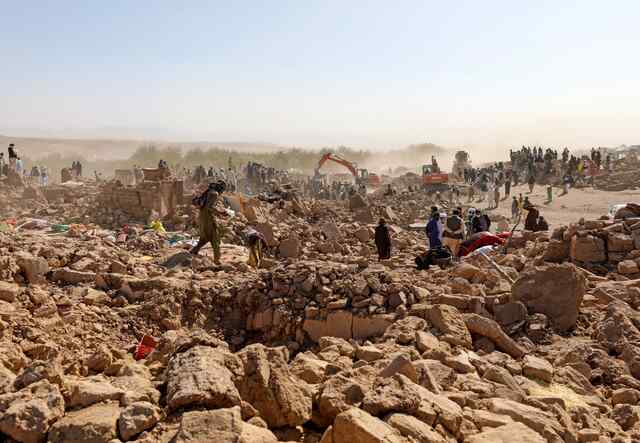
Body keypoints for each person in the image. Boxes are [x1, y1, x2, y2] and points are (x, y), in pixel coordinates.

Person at [190, 180, 226, 264]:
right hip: (208, 218)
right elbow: (210, 207)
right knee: (215, 237)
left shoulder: (209, 192)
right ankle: (217, 260)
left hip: (202, 217)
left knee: (205, 238)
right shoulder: (214, 194)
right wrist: (221, 213)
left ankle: (194, 251)